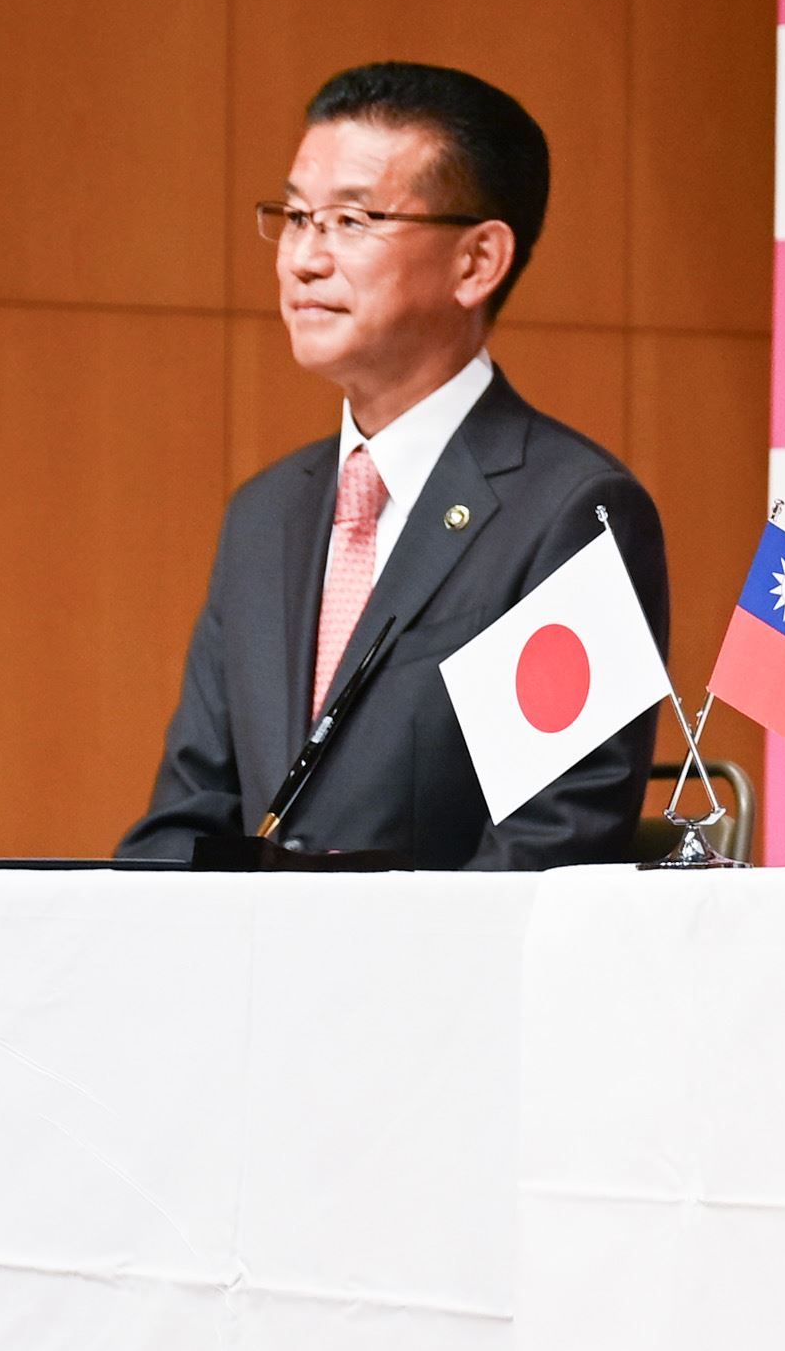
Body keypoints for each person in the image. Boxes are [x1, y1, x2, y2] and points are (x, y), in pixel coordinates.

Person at [122, 65, 672, 867]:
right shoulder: (265, 513)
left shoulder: (574, 514)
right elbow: (187, 818)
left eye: (349, 219)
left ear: (477, 261)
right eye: (296, 216)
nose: (303, 259)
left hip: (438, 988)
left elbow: (548, 847)